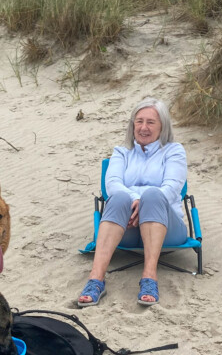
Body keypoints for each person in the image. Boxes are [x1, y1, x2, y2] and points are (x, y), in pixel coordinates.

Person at [77, 97, 188, 307]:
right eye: (139, 121)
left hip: (167, 228)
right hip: (127, 226)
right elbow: (112, 183)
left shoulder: (174, 151)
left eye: (150, 122)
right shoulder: (122, 152)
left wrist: (145, 201)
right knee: (118, 196)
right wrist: (136, 199)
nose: (143, 127)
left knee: (155, 195)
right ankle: (96, 280)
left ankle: (149, 277)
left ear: (162, 126)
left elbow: (172, 188)